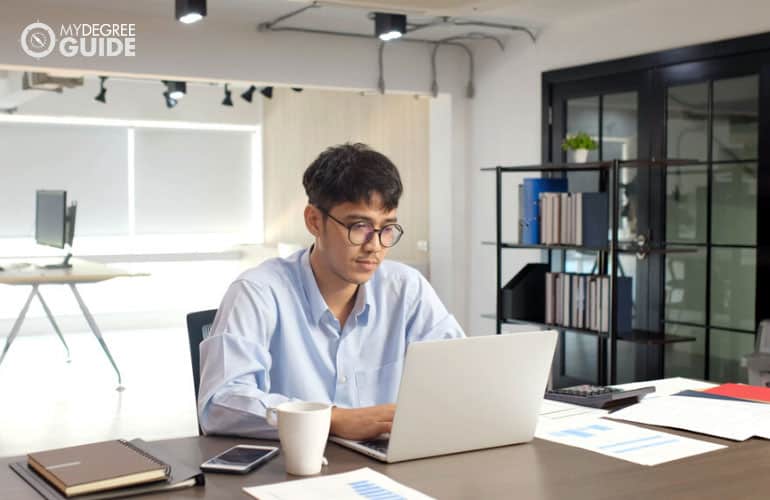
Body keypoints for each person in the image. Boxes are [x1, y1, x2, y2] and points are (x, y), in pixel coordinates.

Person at [198, 143, 465, 440]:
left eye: (387, 228)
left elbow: (457, 376)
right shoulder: (257, 291)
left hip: (386, 463)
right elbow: (220, 403)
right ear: (314, 221)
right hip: (290, 472)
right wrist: (331, 419)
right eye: (359, 226)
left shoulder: (406, 288)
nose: (375, 245)